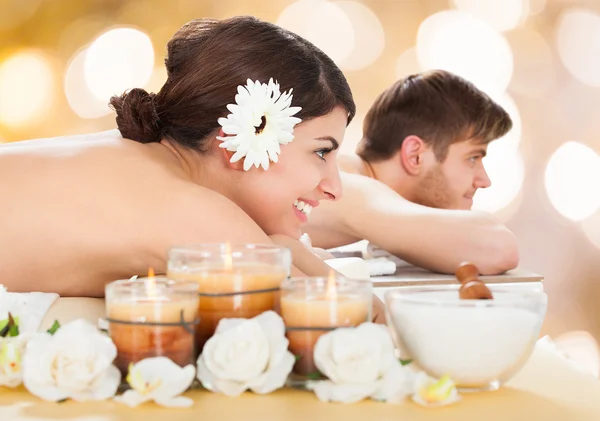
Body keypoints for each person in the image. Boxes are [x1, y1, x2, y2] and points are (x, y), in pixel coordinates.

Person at [0, 16, 356, 300]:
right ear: (237, 139)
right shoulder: (193, 211)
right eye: (321, 152)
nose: (335, 188)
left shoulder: (137, 158)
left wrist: (282, 247)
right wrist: (280, 249)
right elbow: (343, 316)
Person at [305, 70, 520, 275]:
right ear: (415, 155)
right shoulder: (350, 189)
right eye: (472, 158)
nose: (484, 181)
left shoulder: (347, 179)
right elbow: (498, 247)